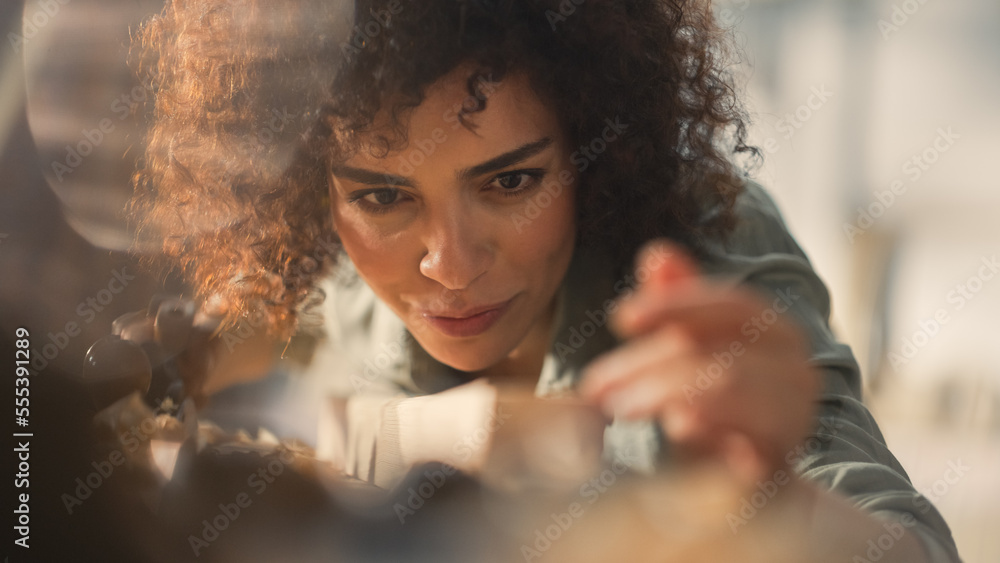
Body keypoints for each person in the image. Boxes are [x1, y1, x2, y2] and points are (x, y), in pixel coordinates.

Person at [127, 0, 962, 560]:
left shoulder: (709, 247)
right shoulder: (321, 269)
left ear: (595, 147)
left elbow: (901, 539)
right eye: (384, 197)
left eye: (512, 182)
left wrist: (783, 507)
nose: (448, 263)